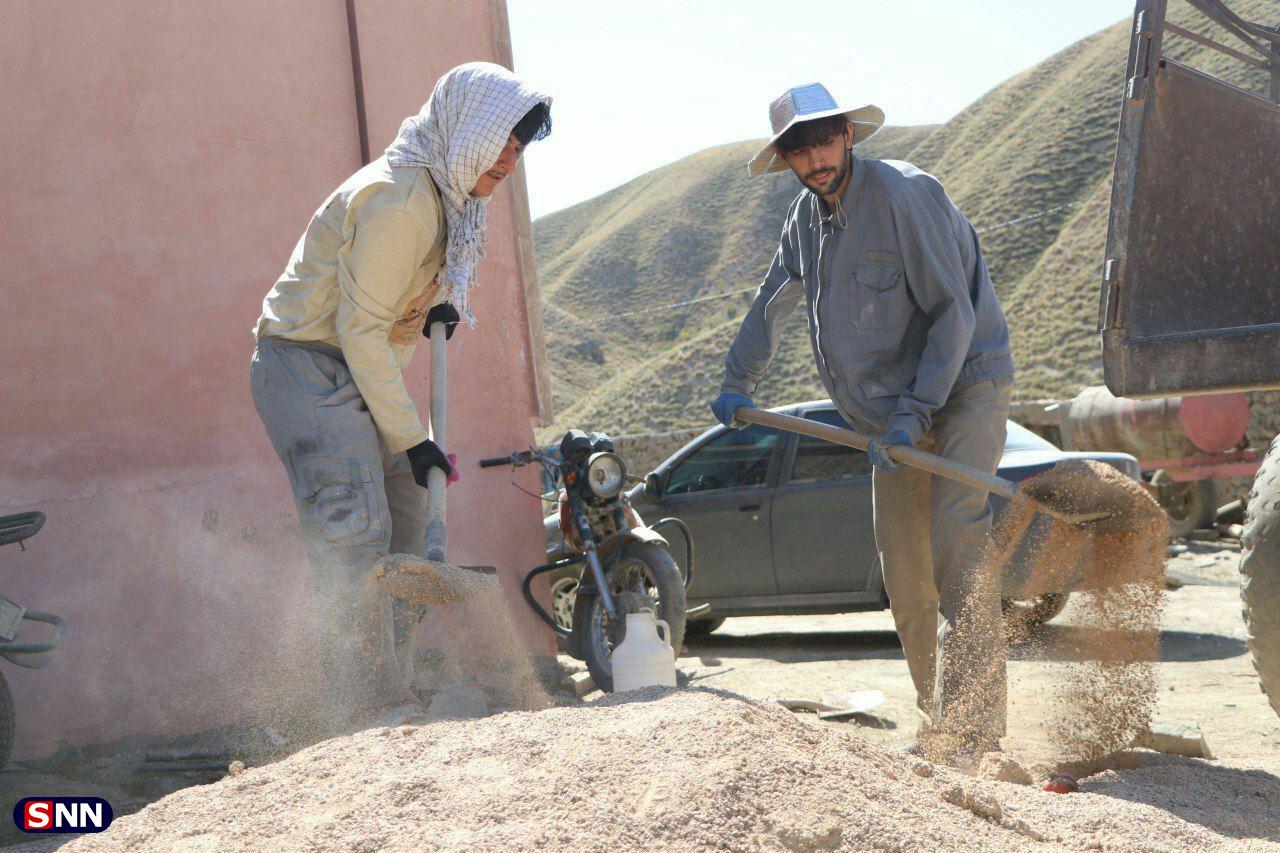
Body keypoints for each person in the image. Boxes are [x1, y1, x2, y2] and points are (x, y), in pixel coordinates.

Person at [710, 82, 1015, 764]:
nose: (815, 159)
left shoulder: (904, 195)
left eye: (823, 140)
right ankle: (941, 722)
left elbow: (952, 316)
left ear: (848, 134)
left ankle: (978, 729)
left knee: (954, 539)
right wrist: (737, 383)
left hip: (964, 387)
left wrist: (915, 413)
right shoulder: (804, 221)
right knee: (904, 569)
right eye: (799, 150)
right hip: (890, 423)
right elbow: (771, 304)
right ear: (786, 161)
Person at [250, 62, 551, 728]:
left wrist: (431, 302)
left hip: (354, 363)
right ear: (466, 130)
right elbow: (359, 331)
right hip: (305, 363)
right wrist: (413, 439)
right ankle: (363, 704)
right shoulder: (402, 202)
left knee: (411, 514)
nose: (511, 155)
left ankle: (392, 676)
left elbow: (379, 330)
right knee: (355, 528)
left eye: (521, 143)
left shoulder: (446, 203)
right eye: (502, 137)